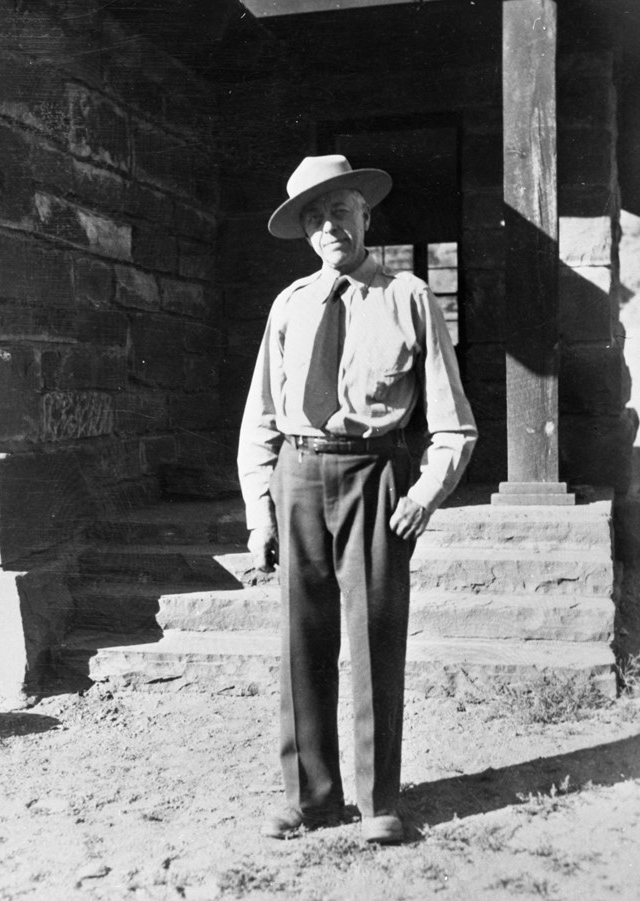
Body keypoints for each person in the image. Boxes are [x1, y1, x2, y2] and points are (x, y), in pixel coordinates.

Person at [237, 154, 477, 844]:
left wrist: (427, 492)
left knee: (375, 636)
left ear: (365, 216)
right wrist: (261, 511)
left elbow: (452, 419)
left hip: (377, 477)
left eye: (340, 209)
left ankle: (377, 801)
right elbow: (261, 417)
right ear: (305, 232)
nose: (328, 225)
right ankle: (310, 796)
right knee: (300, 641)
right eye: (314, 217)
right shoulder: (289, 306)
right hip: (299, 474)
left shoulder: (409, 297)